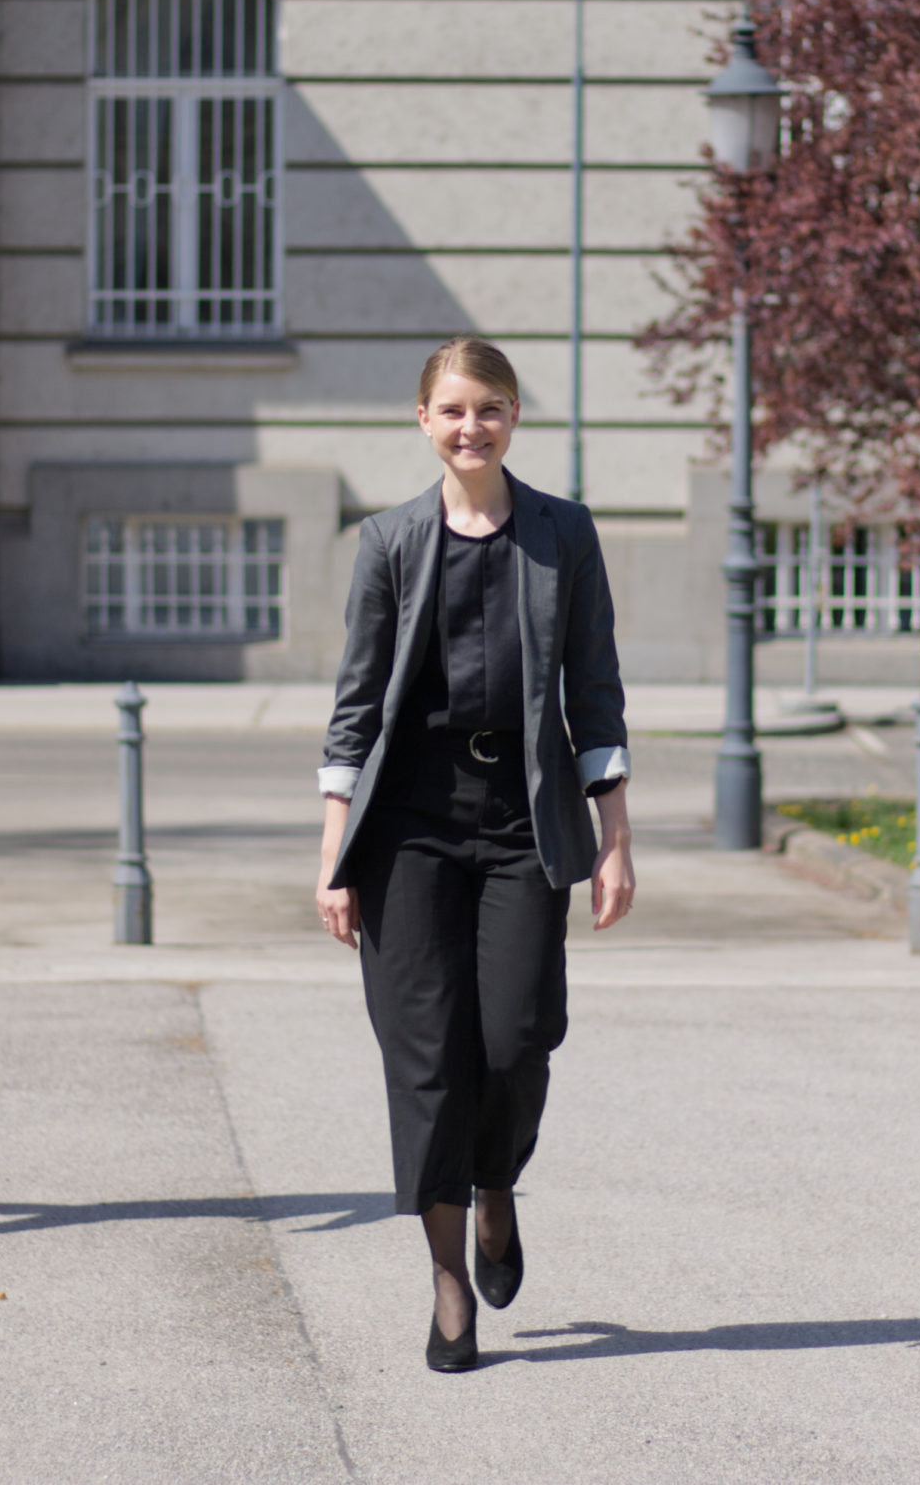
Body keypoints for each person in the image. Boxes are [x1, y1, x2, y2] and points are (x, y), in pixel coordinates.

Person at [316, 336, 636, 1372]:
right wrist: (332, 856)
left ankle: (497, 1184)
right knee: (426, 1062)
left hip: (519, 817)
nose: (471, 428)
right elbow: (355, 709)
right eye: (452, 410)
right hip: (405, 824)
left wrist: (615, 839)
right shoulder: (390, 542)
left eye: (489, 409)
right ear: (424, 421)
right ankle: (450, 1281)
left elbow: (594, 692)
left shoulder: (561, 535)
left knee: (515, 1039)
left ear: (511, 420)